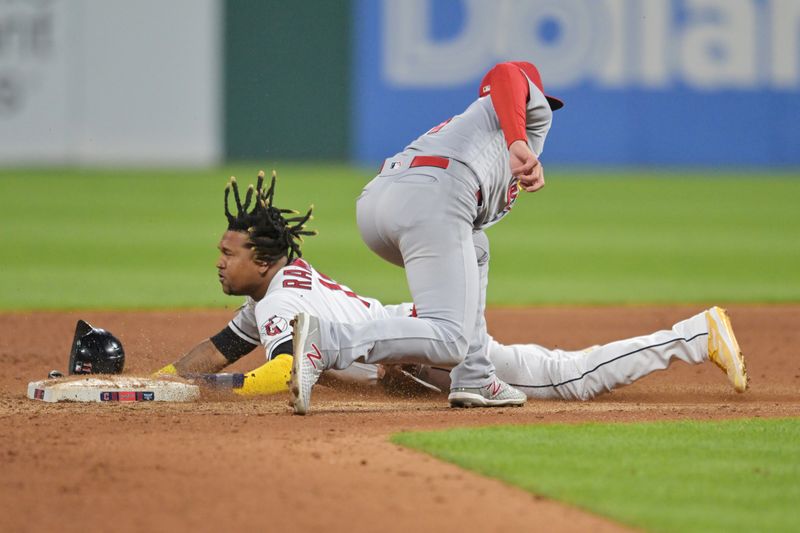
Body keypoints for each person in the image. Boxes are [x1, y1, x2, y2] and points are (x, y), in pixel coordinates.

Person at [157, 171, 748, 402]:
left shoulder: (282, 302)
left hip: (427, 345)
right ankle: (694, 335)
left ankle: (694, 335)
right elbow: (223, 348)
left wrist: (206, 392)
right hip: (417, 340)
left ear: (261, 262)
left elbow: (279, 371)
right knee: (553, 371)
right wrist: (157, 384)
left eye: (227, 252)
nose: (218, 260)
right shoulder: (275, 290)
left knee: (569, 377)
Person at [289, 60, 566, 414]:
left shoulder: (467, 131)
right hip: (431, 196)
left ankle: (476, 376)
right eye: (535, 99)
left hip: (381, 203)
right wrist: (516, 139)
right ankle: (327, 342)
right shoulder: (518, 123)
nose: (540, 110)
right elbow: (506, 73)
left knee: (476, 248)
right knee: (449, 339)